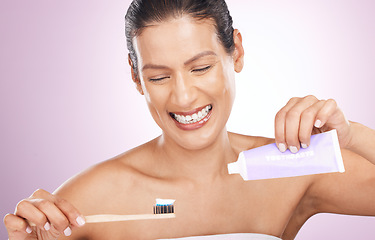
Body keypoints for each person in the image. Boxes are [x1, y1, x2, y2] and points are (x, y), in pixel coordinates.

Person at [4, 0, 375, 239]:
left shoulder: (290, 170)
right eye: (159, 77)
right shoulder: (89, 200)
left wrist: (352, 137)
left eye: (200, 67)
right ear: (136, 78)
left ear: (237, 52)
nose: (183, 96)